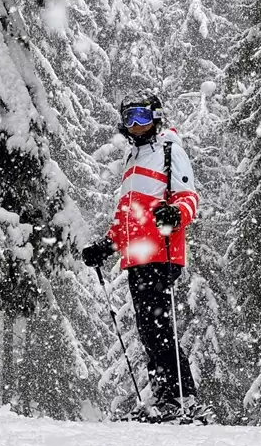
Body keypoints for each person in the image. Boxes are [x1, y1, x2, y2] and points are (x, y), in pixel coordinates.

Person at [82, 91, 198, 414]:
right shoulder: (131, 160)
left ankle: (181, 396)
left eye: (142, 117)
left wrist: (174, 214)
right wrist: (106, 246)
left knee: (158, 327)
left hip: (162, 251)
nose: (135, 125)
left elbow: (189, 198)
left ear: (155, 117)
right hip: (136, 257)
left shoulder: (170, 151)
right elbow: (126, 217)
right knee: (147, 330)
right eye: (129, 118)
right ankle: (163, 396)